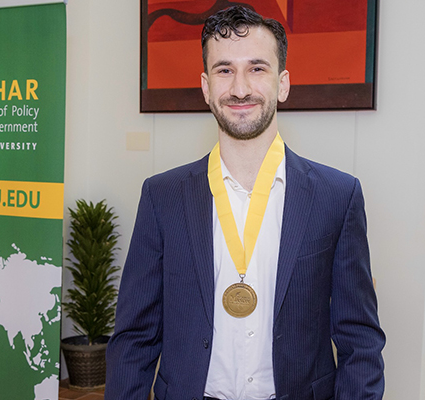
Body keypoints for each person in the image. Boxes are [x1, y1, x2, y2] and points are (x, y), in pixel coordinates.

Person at [105, 6, 385, 400]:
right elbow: (135, 338)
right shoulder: (161, 196)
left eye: (257, 68)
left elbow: (360, 339)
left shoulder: (337, 197)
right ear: (205, 86)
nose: (239, 88)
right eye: (224, 70)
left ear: (283, 83)